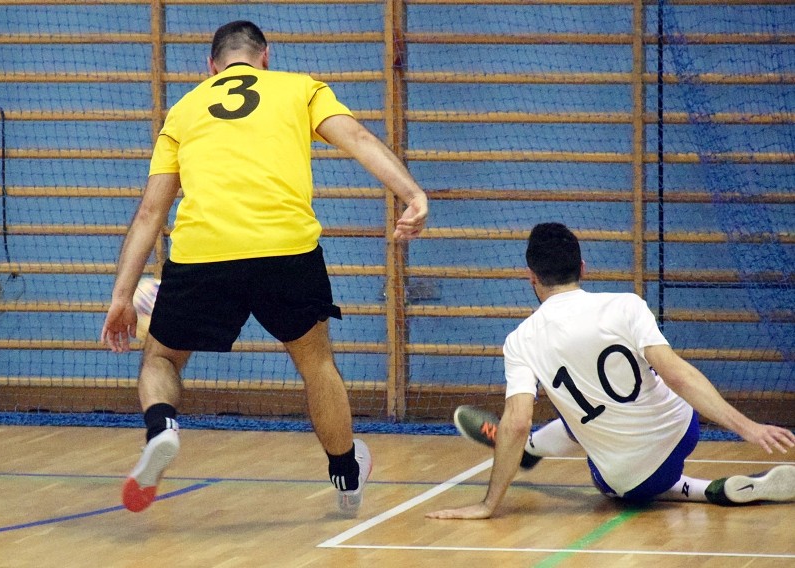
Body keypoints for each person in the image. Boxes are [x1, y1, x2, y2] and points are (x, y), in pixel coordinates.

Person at [101, 20, 428, 515]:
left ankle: (162, 428)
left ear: (212, 66)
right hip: (286, 249)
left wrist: (121, 297)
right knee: (316, 363)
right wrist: (412, 194)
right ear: (265, 57)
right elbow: (358, 138)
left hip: (203, 252)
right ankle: (345, 473)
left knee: (162, 359)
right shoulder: (300, 88)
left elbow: (151, 211)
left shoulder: (185, 109)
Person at [427, 223, 795, 520]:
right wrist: (748, 427)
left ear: (532, 279)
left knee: (610, 477)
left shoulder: (521, 340)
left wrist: (488, 505)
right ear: (583, 268)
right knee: (592, 406)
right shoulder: (627, 305)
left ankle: (531, 450)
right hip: (684, 426)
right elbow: (678, 375)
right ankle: (529, 451)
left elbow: (517, 421)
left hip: (636, 474)